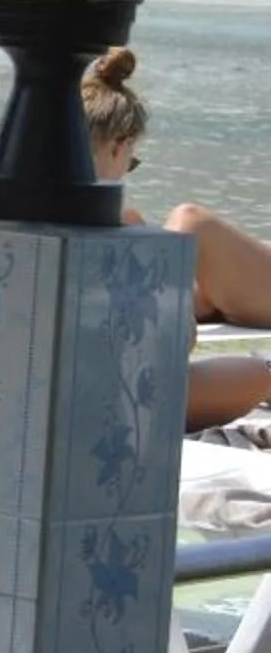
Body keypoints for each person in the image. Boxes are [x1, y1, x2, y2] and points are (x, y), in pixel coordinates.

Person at [83, 47, 271, 428]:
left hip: (85, 388)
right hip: (123, 392)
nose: (126, 172)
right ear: (119, 145)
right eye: (130, 161)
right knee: (189, 221)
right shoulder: (117, 223)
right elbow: (172, 341)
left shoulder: (29, 211)